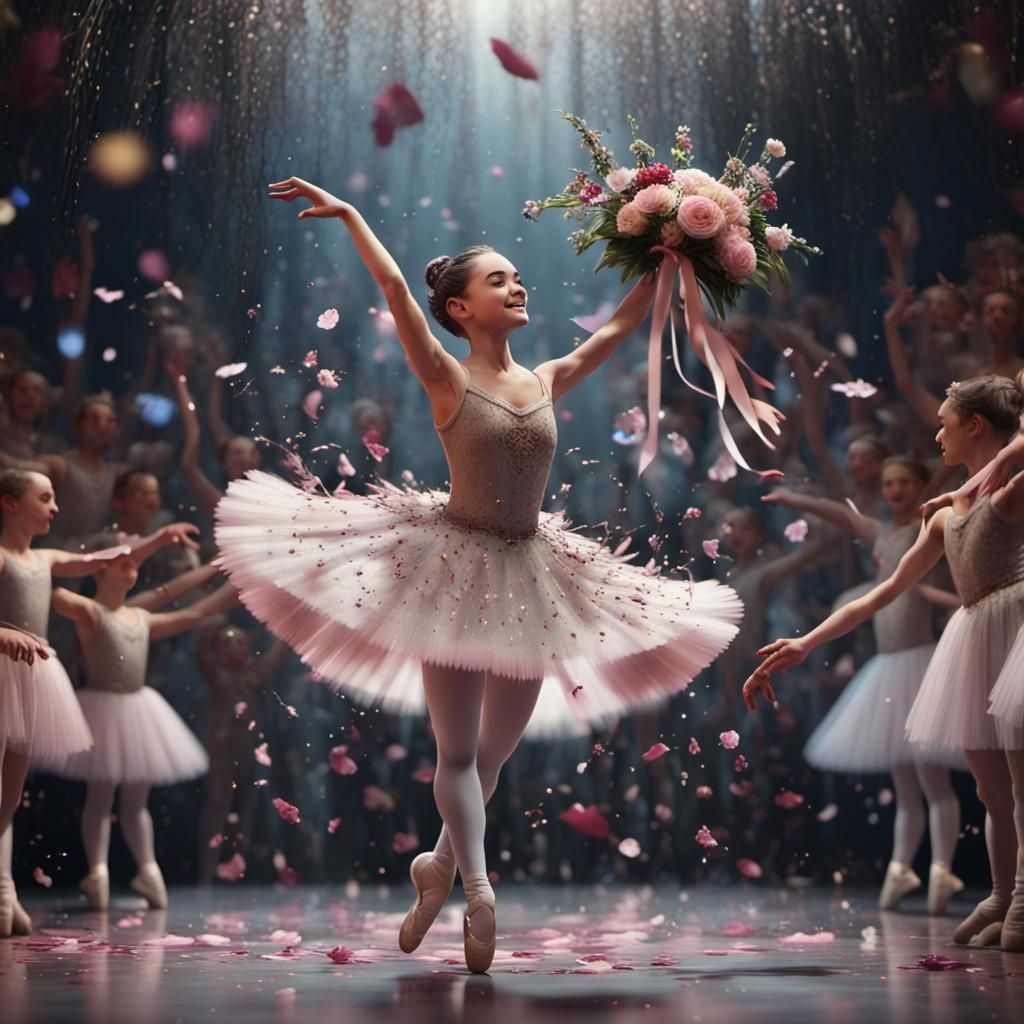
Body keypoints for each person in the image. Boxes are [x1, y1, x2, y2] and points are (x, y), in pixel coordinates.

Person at [213, 176, 744, 973]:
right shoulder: (445, 376)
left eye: (514, 275)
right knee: (457, 754)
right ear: (459, 309)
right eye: (497, 279)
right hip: (453, 570)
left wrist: (671, 255)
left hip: (532, 573)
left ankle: (435, 867)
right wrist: (355, 214)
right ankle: (480, 889)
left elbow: (619, 329)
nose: (515, 284)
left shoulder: (548, 377)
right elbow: (395, 288)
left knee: (493, 757)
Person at [743, 375, 1024, 952]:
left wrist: (983, 476)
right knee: (991, 791)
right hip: (975, 635)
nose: (936, 432)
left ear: (974, 426)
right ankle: (1000, 892)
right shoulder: (945, 515)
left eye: (944, 423)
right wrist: (807, 642)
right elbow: (883, 591)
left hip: (1015, 626)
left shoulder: (1012, 490)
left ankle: (1021, 894)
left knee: (1021, 785)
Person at [0, 467, 199, 937]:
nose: (55, 507)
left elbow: (105, 559)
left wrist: (160, 538)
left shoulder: (44, 558)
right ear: (10, 504)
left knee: (8, 798)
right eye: (45, 498)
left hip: (30, 676)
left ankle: (5, 887)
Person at [762, 458, 964, 914]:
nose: (893, 488)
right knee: (906, 785)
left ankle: (942, 869)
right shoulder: (883, 533)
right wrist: (794, 498)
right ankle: (900, 867)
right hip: (888, 665)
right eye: (888, 481)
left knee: (932, 780)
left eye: (903, 482)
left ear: (919, 486)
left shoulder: (927, 526)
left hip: (920, 661)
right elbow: (841, 514)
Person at [50, 554, 237, 911]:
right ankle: (98, 872)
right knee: (101, 796)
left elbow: (193, 614)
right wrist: (91, 561)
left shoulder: (140, 617)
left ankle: (148, 870)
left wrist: (232, 579)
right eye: (123, 563)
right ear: (101, 569)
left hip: (138, 709)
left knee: (136, 802)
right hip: (103, 709)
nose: (132, 568)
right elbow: (55, 593)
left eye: (135, 564)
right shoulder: (91, 613)